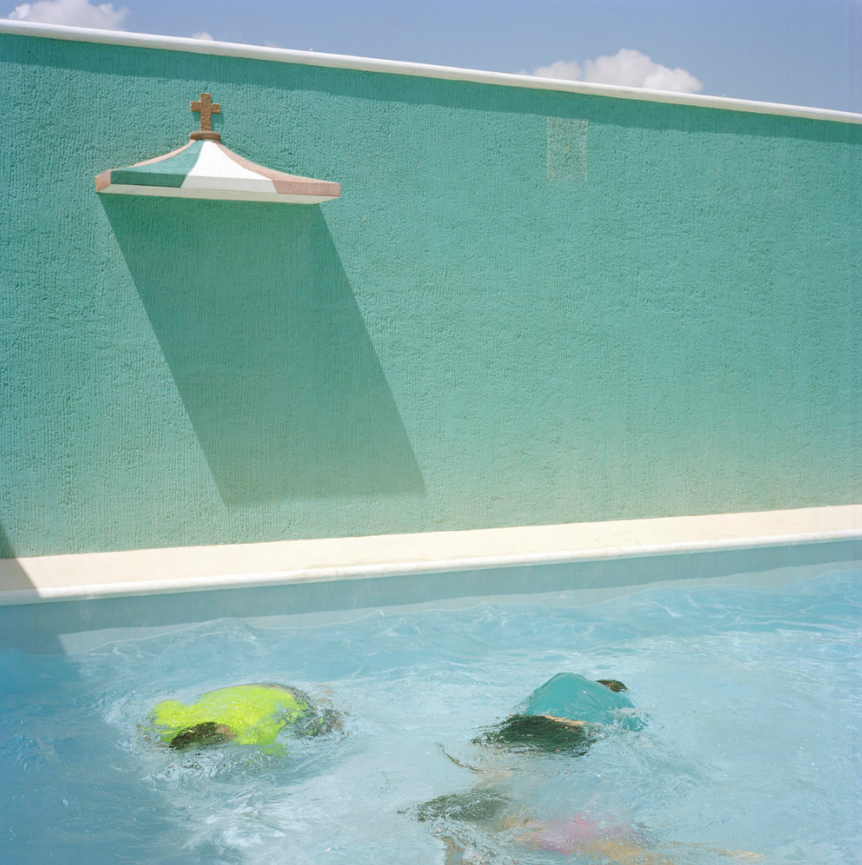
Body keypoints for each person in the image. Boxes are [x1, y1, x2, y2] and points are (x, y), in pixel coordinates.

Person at [474, 673, 641, 754]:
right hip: (567, 729)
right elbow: (637, 733)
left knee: (495, 762)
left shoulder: (563, 677)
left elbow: (520, 707)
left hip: (525, 722)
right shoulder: (619, 700)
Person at [148, 682, 340, 750]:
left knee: (166, 727)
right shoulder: (297, 701)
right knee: (258, 733)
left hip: (216, 700)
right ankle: (222, 733)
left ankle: (214, 733)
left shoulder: (176, 715)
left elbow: (159, 708)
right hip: (269, 701)